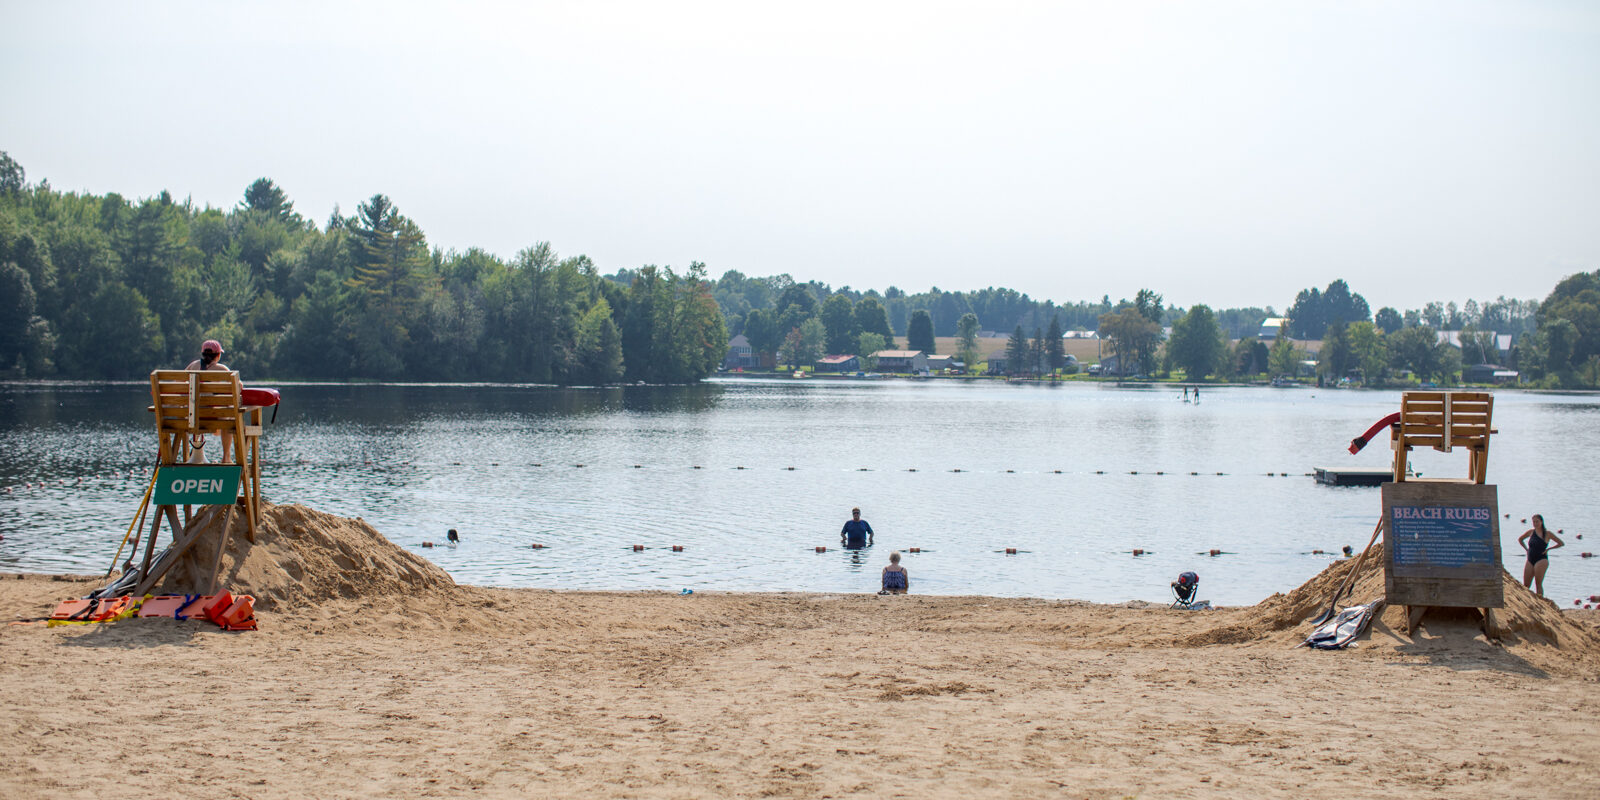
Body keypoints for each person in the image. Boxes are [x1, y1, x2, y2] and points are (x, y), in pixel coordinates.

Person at [184, 340, 233, 463]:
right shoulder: (222, 369)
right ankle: (226, 457)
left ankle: (184, 458)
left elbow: (178, 383)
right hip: (212, 417)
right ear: (218, 355)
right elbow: (238, 386)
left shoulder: (193, 366)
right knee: (230, 418)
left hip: (191, 417)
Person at [1518, 514, 1564, 596]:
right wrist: (1526, 549)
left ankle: (1540, 601)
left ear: (1541, 522)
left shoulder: (1547, 533)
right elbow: (1520, 539)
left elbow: (1561, 543)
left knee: (1538, 584)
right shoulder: (1531, 532)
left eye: (1537, 521)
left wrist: (1548, 549)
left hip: (1541, 559)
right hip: (1530, 559)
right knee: (1526, 585)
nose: (1535, 523)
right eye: (1534, 522)